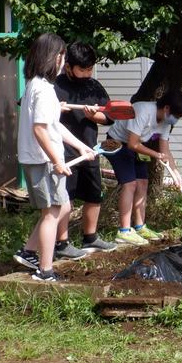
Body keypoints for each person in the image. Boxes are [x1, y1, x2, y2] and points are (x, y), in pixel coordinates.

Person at [13, 33, 96, 281]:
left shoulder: (38, 86)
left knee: (62, 207)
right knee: (51, 213)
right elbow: (39, 129)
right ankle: (45, 270)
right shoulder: (42, 89)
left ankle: (28, 252)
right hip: (43, 160)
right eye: (61, 55)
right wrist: (57, 161)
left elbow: (53, 125)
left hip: (43, 159)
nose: (63, 61)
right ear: (52, 57)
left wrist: (81, 146)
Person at [105, 88, 182, 246]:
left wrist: (176, 174)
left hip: (137, 147)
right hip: (116, 143)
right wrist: (156, 155)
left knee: (143, 183)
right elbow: (132, 143)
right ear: (166, 108)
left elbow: (164, 149)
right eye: (177, 116)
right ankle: (123, 231)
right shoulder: (142, 110)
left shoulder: (165, 122)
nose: (176, 120)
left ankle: (140, 227)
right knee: (130, 184)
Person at [54, 41, 117, 257]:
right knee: (65, 198)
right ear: (69, 66)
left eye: (90, 68)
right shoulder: (55, 85)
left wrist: (94, 115)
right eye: (83, 69)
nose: (87, 73)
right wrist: (57, 109)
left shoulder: (93, 86)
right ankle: (61, 244)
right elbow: (38, 113)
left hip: (90, 148)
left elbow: (109, 117)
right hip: (63, 150)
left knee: (94, 194)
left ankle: (90, 237)